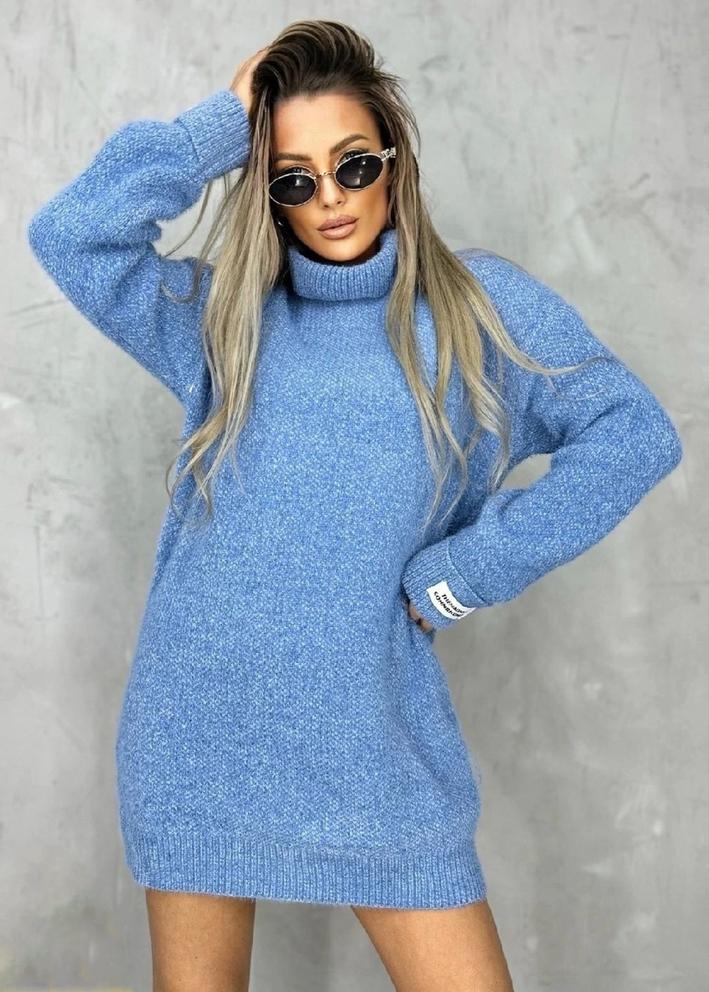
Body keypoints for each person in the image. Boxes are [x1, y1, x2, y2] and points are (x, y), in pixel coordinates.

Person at [26, 18, 682, 992]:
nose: (329, 197)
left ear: (393, 161)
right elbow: (71, 235)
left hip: (377, 744)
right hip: (199, 731)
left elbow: (634, 433)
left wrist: (463, 572)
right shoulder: (226, 321)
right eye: (292, 178)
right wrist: (221, 126)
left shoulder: (477, 308)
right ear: (267, 192)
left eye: (352, 164)